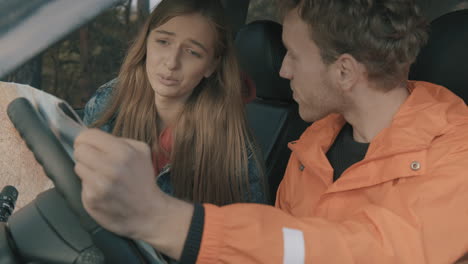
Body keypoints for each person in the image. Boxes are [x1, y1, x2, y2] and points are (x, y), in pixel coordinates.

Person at [74, 0, 468, 263]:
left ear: (344, 71)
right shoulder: (310, 149)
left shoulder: (456, 154)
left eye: (293, 56)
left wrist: (170, 222)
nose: (282, 71)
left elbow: (374, 252)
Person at [81, 0, 266, 206]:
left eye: (192, 52)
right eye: (163, 42)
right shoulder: (109, 102)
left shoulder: (235, 148)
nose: (171, 63)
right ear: (146, 42)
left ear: (211, 65)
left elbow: (245, 231)